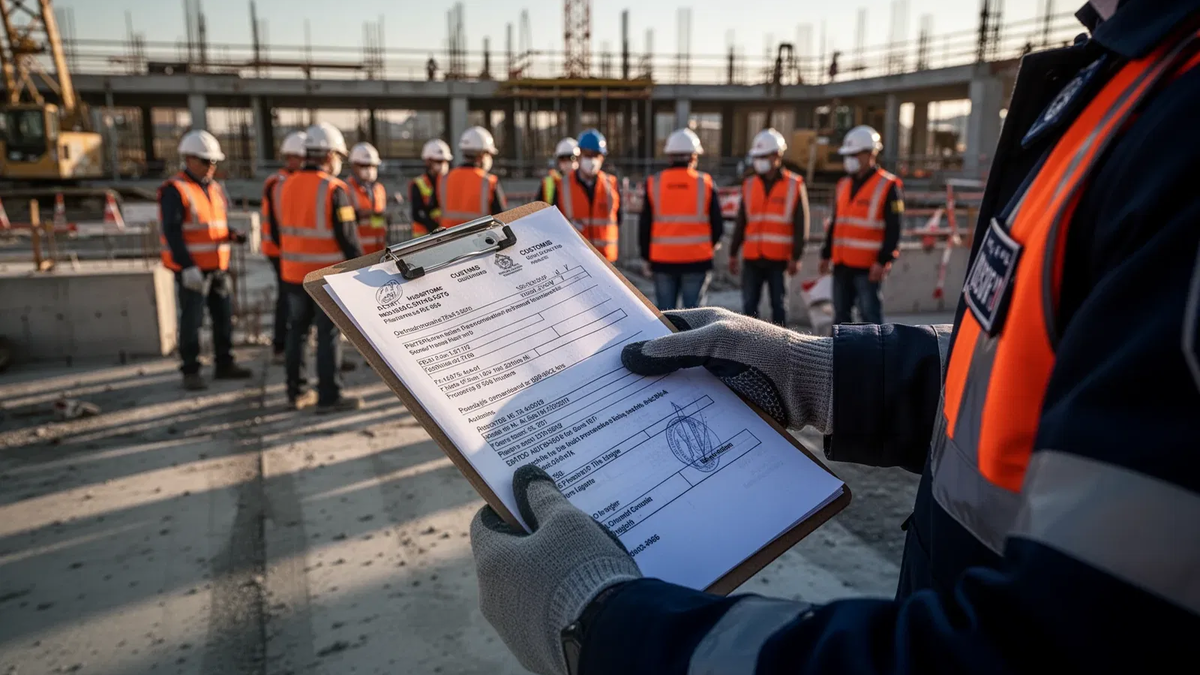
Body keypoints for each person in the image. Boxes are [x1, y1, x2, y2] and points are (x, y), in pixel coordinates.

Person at [469, 1, 1200, 674]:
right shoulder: (1135, 81)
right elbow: (1046, 365)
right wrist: (818, 371)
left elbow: (1057, 648)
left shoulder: (1179, 121)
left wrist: (614, 632)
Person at [277, 122, 363, 413]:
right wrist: (360, 271)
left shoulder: (285, 184)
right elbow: (348, 239)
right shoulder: (335, 189)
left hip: (291, 275)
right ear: (328, 156)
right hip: (323, 278)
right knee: (327, 336)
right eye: (338, 156)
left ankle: (296, 392)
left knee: (297, 333)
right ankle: (329, 396)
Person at [159, 130, 252, 391]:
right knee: (192, 322)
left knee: (223, 318)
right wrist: (187, 266)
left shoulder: (213, 189)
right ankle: (191, 370)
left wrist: (232, 234)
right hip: (194, 270)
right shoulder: (176, 190)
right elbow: (172, 232)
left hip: (218, 268)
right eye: (206, 161)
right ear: (189, 159)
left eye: (214, 162)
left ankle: (224, 363)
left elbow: (214, 226)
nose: (211, 166)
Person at [818, 124, 904, 325]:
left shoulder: (888, 185)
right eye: (848, 154)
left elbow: (894, 228)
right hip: (841, 264)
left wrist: (883, 260)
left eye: (854, 154)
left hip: (868, 266)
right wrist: (825, 254)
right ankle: (841, 357)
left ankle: (875, 357)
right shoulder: (843, 184)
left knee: (870, 319)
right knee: (840, 318)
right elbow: (836, 223)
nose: (850, 159)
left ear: (870, 154)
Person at [730, 128, 809, 325]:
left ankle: (780, 348)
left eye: (763, 156)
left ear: (777, 156)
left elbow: (801, 224)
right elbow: (741, 221)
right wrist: (733, 252)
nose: (759, 161)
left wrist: (796, 256)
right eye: (757, 156)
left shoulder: (794, 184)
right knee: (749, 306)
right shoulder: (749, 184)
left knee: (779, 305)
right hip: (752, 257)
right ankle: (747, 347)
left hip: (779, 258)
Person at [638, 128, 723, 310]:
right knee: (695, 318)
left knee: (667, 316)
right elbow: (718, 224)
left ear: (670, 157)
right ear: (693, 157)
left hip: (662, 261)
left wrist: (646, 257)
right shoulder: (705, 182)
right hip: (697, 260)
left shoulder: (654, 182)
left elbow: (645, 224)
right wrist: (710, 245)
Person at [262, 130, 306, 365]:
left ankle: (285, 346)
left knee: (292, 302)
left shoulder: (287, 181)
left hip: (289, 251)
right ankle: (280, 346)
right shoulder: (279, 183)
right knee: (287, 301)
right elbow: (281, 224)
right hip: (281, 252)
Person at [550, 129, 621, 261]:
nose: (592, 160)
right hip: (576, 260)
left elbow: (618, 218)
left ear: (602, 157)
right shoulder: (563, 186)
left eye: (596, 155)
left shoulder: (611, 184)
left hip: (606, 261)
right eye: (588, 155)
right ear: (579, 155)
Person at [439, 126, 507, 228]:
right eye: (489, 154)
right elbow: (502, 217)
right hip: (480, 239)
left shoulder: (444, 179)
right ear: (482, 154)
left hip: (448, 239)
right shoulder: (489, 181)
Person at [346, 142, 389, 255]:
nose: (369, 169)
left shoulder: (379, 189)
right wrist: (360, 215)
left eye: (373, 166)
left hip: (378, 251)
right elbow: (343, 221)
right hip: (356, 253)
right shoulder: (346, 189)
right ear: (354, 166)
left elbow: (379, 221)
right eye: (364, 166)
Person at [410, 139, 452, 238]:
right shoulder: (418, 184)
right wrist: (435, 227)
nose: (442, 165)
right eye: (439, 161)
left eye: (445, 161)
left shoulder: (449, 182)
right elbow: (417, 213)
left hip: (445, 234)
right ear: (428, 161)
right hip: (424, 237)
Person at [539, 137, 579, 204]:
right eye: (562, 158)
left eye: (571, 157)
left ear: (578, 158)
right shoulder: (548, 183)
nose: (566, 162)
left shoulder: (586, 182)